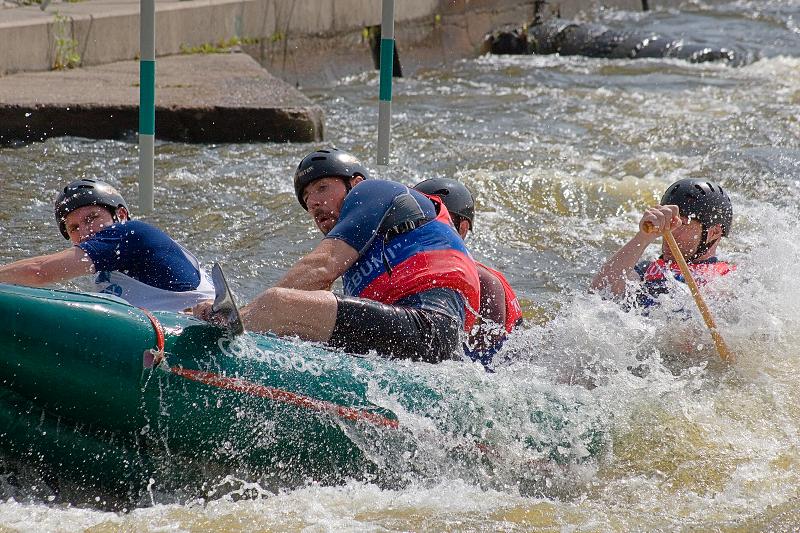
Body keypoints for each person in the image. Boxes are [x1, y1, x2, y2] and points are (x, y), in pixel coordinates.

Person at [195, 147, 481, 363]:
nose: (314, 203)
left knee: (278, 303)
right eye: (307, 199)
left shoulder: (371, 191)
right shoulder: (364, 258)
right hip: (418, 338)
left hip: (431, 327)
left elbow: (320, 268)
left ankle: (214, 342)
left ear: (354, 183)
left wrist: (242, 315)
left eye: (322, 188)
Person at [0, 178, 214, 312]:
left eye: (91, 218)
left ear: (120, 215)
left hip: (202, 330)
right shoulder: (108, 264)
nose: (84, 232)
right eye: (73, 228)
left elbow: (39, 271)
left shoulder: (129, 233)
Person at [413, 178, 523, 366]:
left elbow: (486, 362)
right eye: (417, 221)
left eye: (434, 221)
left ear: (462, 229)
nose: (421, 228)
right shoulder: (413, 273)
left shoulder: (485, 281)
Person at [590, 178, 734, 307]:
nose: (669, 232)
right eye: (670, 223)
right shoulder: (645, 269)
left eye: (682, 224)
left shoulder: (727, 278)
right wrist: (643, 237)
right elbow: (599, 293)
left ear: (714, 232)